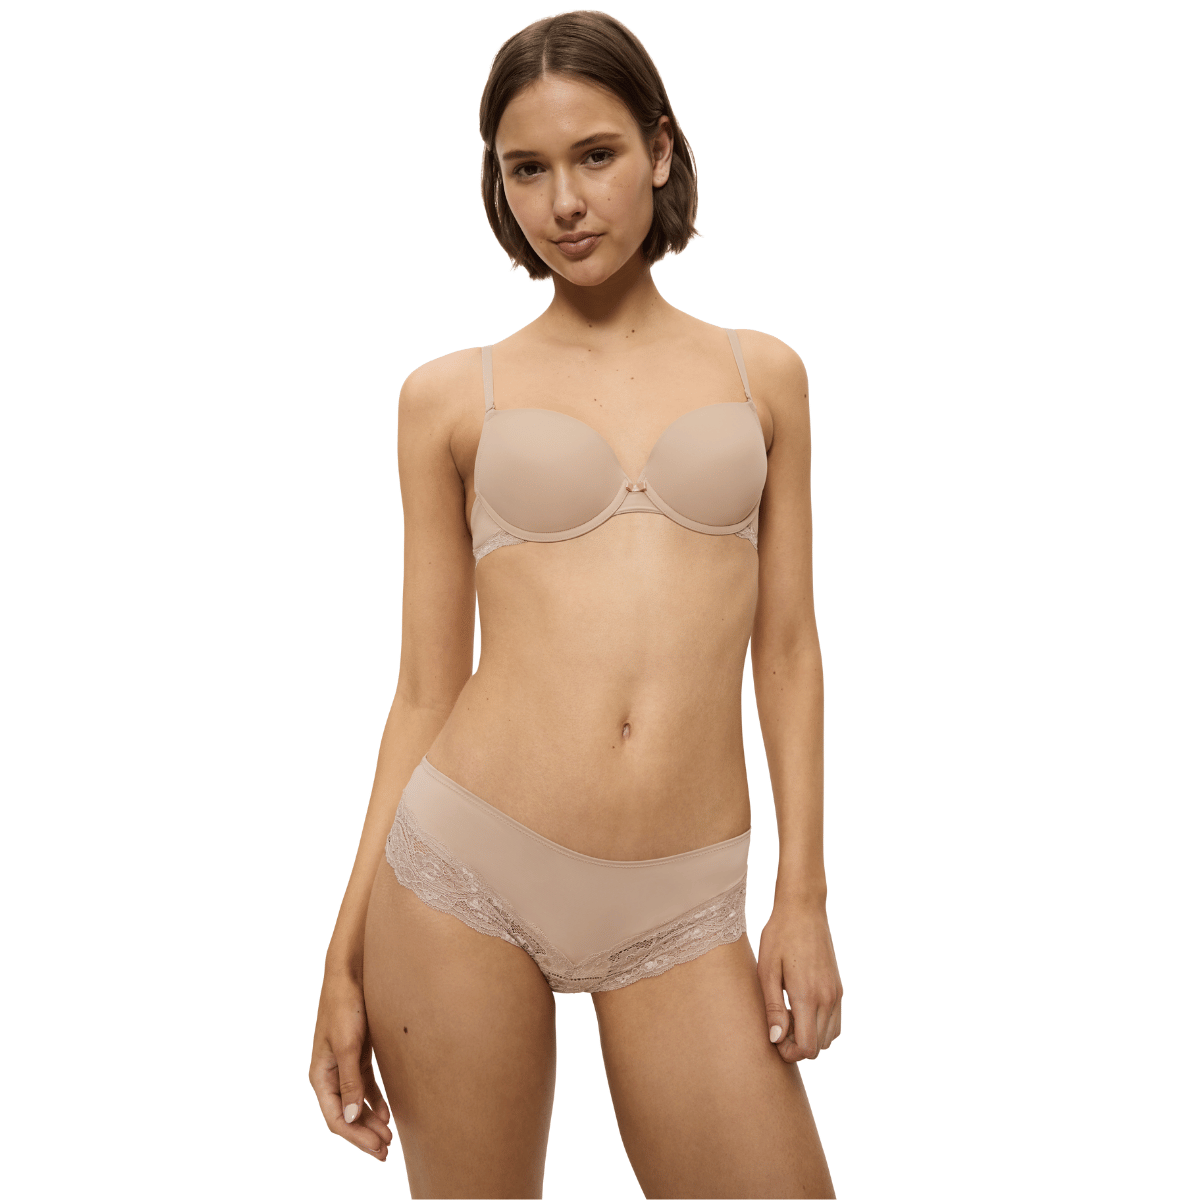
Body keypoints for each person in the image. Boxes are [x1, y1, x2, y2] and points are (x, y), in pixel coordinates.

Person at [309, 11, 841, 1197]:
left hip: (682, 902)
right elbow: (423, 692)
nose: (564, 203)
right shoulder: (449, 398)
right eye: (527, 169)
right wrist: (342, 958)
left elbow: (790, 650)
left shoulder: (764, 376)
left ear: (659, 148)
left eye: (595, 155)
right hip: (460, 876)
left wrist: (801, 896)